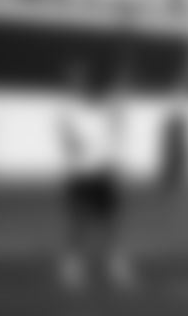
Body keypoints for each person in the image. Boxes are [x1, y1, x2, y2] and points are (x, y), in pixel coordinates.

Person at [57, 64, 134, 293]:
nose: (87, 88)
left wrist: (118, 106)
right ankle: (72, 265)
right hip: (81, 174)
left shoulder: (107, 110)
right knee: (78, 222)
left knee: (110, 222)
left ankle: (114, 263)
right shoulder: (71, 111)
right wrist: (85, 148)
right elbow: (69, 139)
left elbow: (118, 125)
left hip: (104, 173)